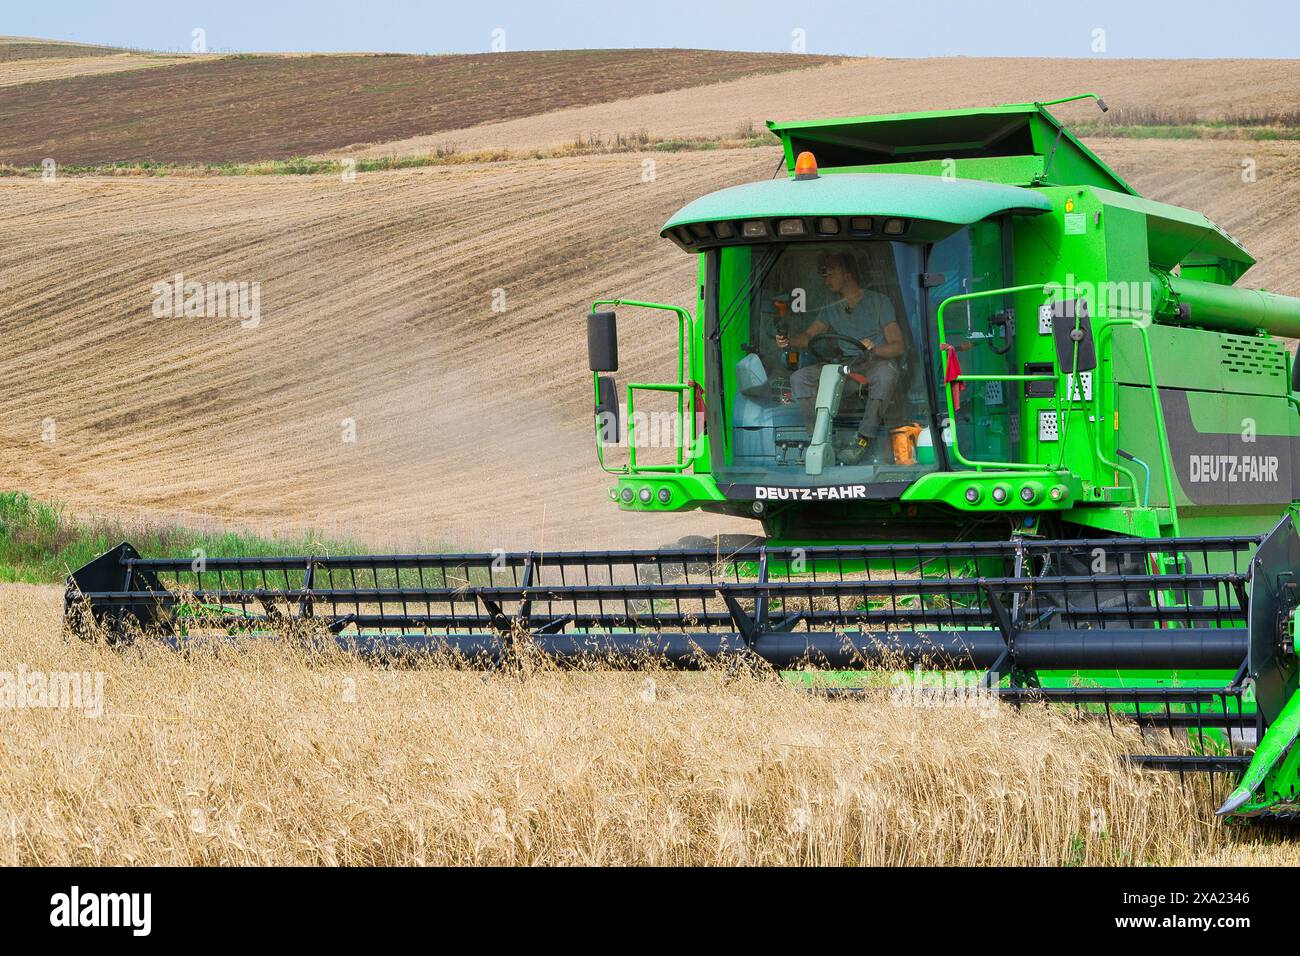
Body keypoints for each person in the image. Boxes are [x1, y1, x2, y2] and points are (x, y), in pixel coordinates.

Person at [777, 250, 905, 464]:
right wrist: (788, 340)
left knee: (886, 374)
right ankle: (818, 438)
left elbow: (898, 346)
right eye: (823, 274)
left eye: (829, 273)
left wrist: (873, 349)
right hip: (846, 366)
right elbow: (808, 336)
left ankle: (863, 440)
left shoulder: (878, 302)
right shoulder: (831, 307)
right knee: (800, 378)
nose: (825, 279)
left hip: (874, 362)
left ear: (847, 273)